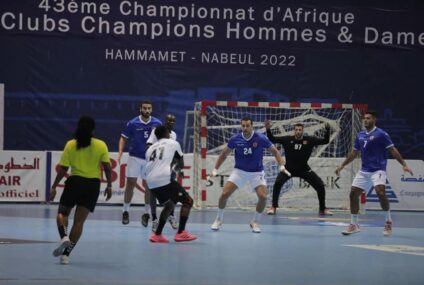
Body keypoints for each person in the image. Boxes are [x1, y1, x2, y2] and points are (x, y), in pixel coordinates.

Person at [335, 110, 413, 236]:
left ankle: (388, 221)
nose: (365, 120)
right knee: (353, 194)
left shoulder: (381, 134)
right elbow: (354, 153)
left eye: (368, 118)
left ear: (374, 120)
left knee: (380, 192)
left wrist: (404, 164)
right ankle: (354, 224)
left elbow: (393, 150)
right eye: (364, 118)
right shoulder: (360, 135)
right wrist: (342, 165)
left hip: (378, 169)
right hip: (364, 171)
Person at [49, 116, 112, 264]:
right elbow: (107, 167)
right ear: (93, 129)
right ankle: (66, 256)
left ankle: (64, 237)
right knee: (79, 223)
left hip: (75, 182)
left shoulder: (71, 144)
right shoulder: (101, 145)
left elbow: (63, 168)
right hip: (93, 186)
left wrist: (53, 187)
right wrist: (109, 185)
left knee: (62, 213)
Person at [210, 117, 287, 233]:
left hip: (256, 172)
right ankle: (218, 219)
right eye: (243, 126)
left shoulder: (260, 138)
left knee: (263, 197)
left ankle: (255, 222)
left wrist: (281, 165)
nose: (245, 128)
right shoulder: (235, 139)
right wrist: (215, 168)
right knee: (224, 194)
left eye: (247, 126)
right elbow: (224, 154)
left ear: (252, 126)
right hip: (239, 171)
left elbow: (275, 152)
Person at [265, 121, 333, 216]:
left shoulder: (310, 140)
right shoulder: (287, 139)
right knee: (277, 183)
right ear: (294, 131)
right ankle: (273, 207)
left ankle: (322, 209)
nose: (298, 131)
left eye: (300, 130)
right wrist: (268, 129)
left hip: (304, 169)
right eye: (296, 130)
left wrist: (327, 129)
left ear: (303, 131)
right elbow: (272, 139)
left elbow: (325, 141)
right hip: (288, 168)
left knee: (320, 185)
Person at [144, 125, 197, 243]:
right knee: (188, 201)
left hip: (151, 182)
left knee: (170, 205)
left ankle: (157, 235)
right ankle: (181, 233)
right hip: (164, 178)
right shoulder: (173, 143)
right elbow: (180, 164)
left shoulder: (150, 149)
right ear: (167, 133)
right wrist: (176, 168)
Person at [118, 100, 161, 226]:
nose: (147, 110)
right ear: (140, 109)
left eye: (149, 108)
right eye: (145, 108)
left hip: (149, 159)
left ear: (151, 110)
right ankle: (125, 211)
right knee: (130, 183)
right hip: (134, 157)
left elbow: (162, 140)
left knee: (148, 186)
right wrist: (120, 151)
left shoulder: (157, 123)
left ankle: (146, 213)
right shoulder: (133, 123)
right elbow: (123, 137)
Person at [146, 114, 179, 231]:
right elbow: (149, 145)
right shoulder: (157, 131)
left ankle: (171, 215)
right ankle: (154, 219)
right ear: (165, 121)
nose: (171, 122)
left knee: (173, 192)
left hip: (169, 168)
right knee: (153, 193)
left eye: (173, 120)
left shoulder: (174, 135)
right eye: (169, 120)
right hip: (155, 167)